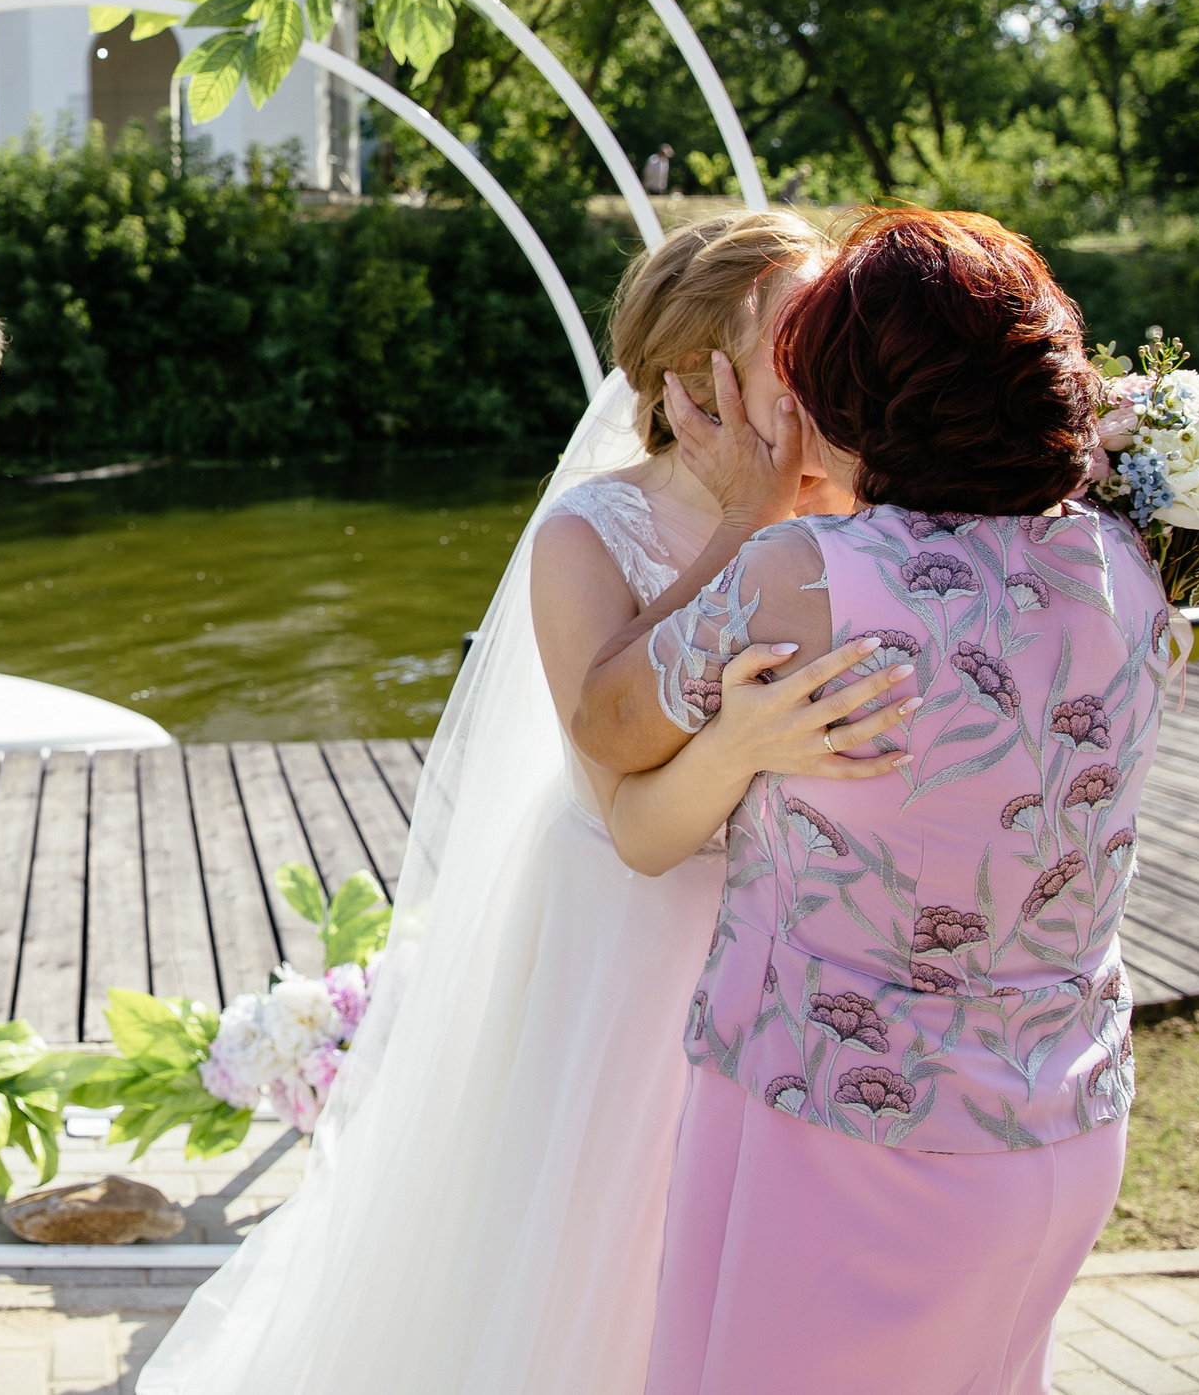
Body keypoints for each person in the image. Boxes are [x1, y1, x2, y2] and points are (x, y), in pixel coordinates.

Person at [139, 213, 901, 1395]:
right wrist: (746, 527)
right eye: (798, 347)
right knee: (615, 1265)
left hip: (805, 947)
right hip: (638, 945)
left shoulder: (858, 512)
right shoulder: (590, 535)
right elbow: (623, 783)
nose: (833, 372)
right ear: (695, 380)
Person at [575, 209, 1170, 1394]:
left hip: (838, 1126)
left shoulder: (809, 575)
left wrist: (747, 513)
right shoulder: (1124, 566)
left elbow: (607, 721)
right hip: (1063, 1118)